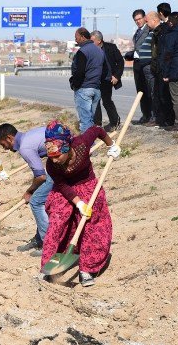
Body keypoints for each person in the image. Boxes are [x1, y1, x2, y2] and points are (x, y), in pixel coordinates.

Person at [41, 121, 120, 287]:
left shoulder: (82, 144)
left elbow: (97, 130)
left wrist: (111, 145)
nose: (54, 161)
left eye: (57, 156)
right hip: (65, 190)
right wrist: (78, 203)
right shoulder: (51, 165)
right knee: (57, 222)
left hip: (88, 184)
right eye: (51, 157)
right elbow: (62, 185)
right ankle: (49, 266)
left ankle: (87, 269)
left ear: (67, 149)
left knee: (93, 222)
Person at [0, 123, 51, 257]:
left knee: (36, 201)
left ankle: (48, 244)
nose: (5, 149)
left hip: (67, 163)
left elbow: (41, 176)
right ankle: (38, 239)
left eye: (3, 145)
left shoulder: (25, 147)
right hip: (58, 162)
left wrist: (29, 191)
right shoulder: (28, 136)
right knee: (41, 197)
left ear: (9, 138)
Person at [70, 27, 106, 133]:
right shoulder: (99, 50)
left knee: (85, 122)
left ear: (82, 37)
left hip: (84, 89)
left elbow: (79, 72)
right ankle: (92, 146)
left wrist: (74, 84)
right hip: (96, 89)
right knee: (91, 121)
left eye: (76, 37)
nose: (75, 40)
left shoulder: (83, 51)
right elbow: (106, 70)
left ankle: (87, 148)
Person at [92, 30, 124, 132]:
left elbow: (120, 62)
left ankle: (115, 122)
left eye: (92, 40)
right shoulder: (90, 50)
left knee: (107, 101)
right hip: (95, 80)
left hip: (107, 80)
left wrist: (116, 76)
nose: (90, 43)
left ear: (99, 40)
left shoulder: (111, 47)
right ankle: (97, 126)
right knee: (95, 102)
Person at [147, 11, 173, 128]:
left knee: (164, 95)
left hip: (162, 68)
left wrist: (160, 66)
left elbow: (161, 52)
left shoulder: (162, 31)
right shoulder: (155, 32)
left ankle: (167, 120)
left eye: (147, 21)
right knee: (157, 94)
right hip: (157, 67)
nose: (146, 24)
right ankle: (161, 119)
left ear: (154, 20)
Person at [128, 10, 155, 125]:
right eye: (135, 20)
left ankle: (153, 116)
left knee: (150, 90)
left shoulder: (149, 30)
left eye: (139, 19)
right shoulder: (137, 32)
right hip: (138, 65)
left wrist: (134, 54)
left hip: (146, 63)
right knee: (140, 91)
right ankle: (146, 115)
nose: (138, 21)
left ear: (144, 18)